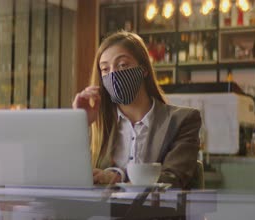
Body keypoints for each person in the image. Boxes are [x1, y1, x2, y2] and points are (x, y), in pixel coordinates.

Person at [72, 31, 202, 189]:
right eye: (105, 69)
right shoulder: (98, 123)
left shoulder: (182, 120)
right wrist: (80, 123)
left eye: (122, 65)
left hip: (157, 213)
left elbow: (172, 180)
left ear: (144, 69)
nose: (113, 74)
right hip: (103, 213)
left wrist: (118, 177)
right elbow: (69, 176)